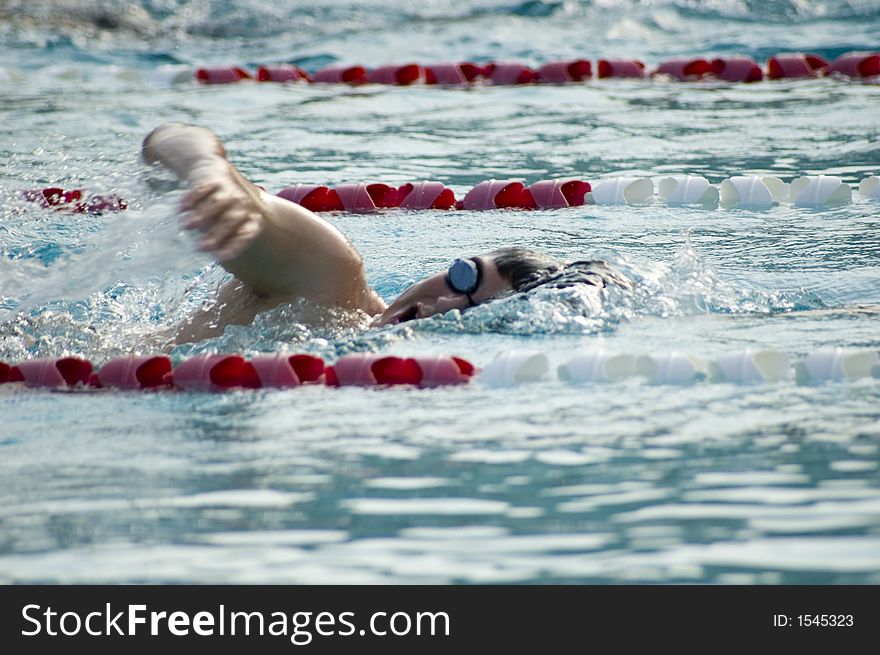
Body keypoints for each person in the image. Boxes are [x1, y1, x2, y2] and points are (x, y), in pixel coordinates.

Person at [142, 123, 632, 344]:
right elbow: (169, 140)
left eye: (478, 312)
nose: (442, 306)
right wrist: (210, 174)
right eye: (463, 277)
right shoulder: (332, 278)